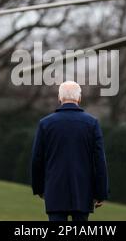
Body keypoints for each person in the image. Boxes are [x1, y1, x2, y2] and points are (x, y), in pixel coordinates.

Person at [31, 81, 109, 221]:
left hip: (55, 190)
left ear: (59, 98)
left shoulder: (45, 124)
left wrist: (39, 188)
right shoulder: (92, 124)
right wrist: (101, 192)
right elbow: (99, 160)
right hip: (83, 191)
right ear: (79, 98)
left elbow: (37, 159)